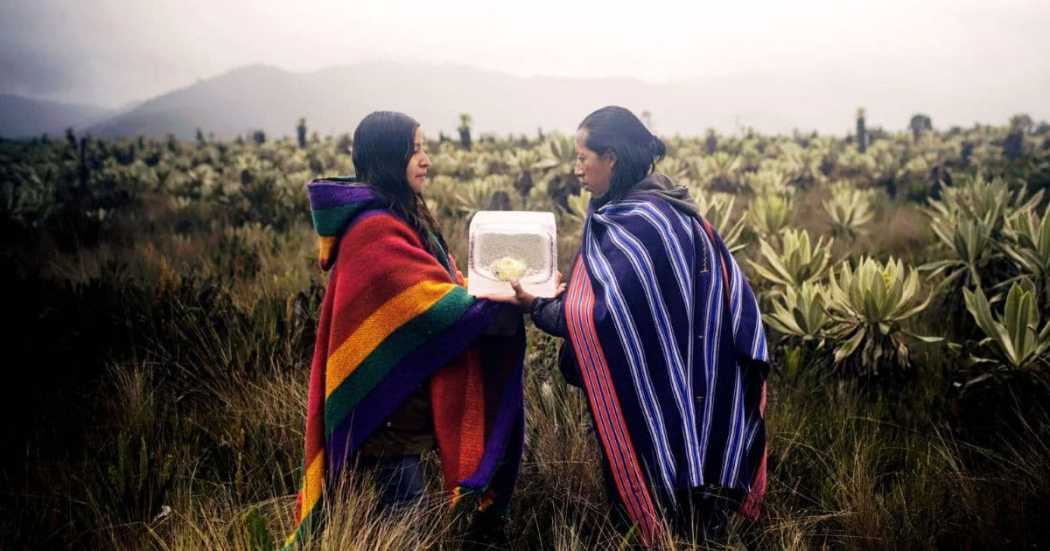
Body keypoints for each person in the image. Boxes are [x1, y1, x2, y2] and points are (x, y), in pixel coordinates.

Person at [494, 106, 771, 545]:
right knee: (698, 500)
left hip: (652, 390)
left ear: (612, 159)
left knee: (652, 494)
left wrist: (538, 305)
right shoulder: (668, 208)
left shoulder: (642, 221)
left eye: (583, 157)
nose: (577, 169)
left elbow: (600, 314)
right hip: (693, 382)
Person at [284, 111, 525, 549]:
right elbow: (432, 308)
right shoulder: (373, 231)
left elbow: (440, 286)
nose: (426, 159)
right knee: (403, 535)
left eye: (424, 148)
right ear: (387, 156)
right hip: (383, 425)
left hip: (398, 417)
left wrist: (496, 290)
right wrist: (498, 301)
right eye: (414, 150)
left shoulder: (401, 216)